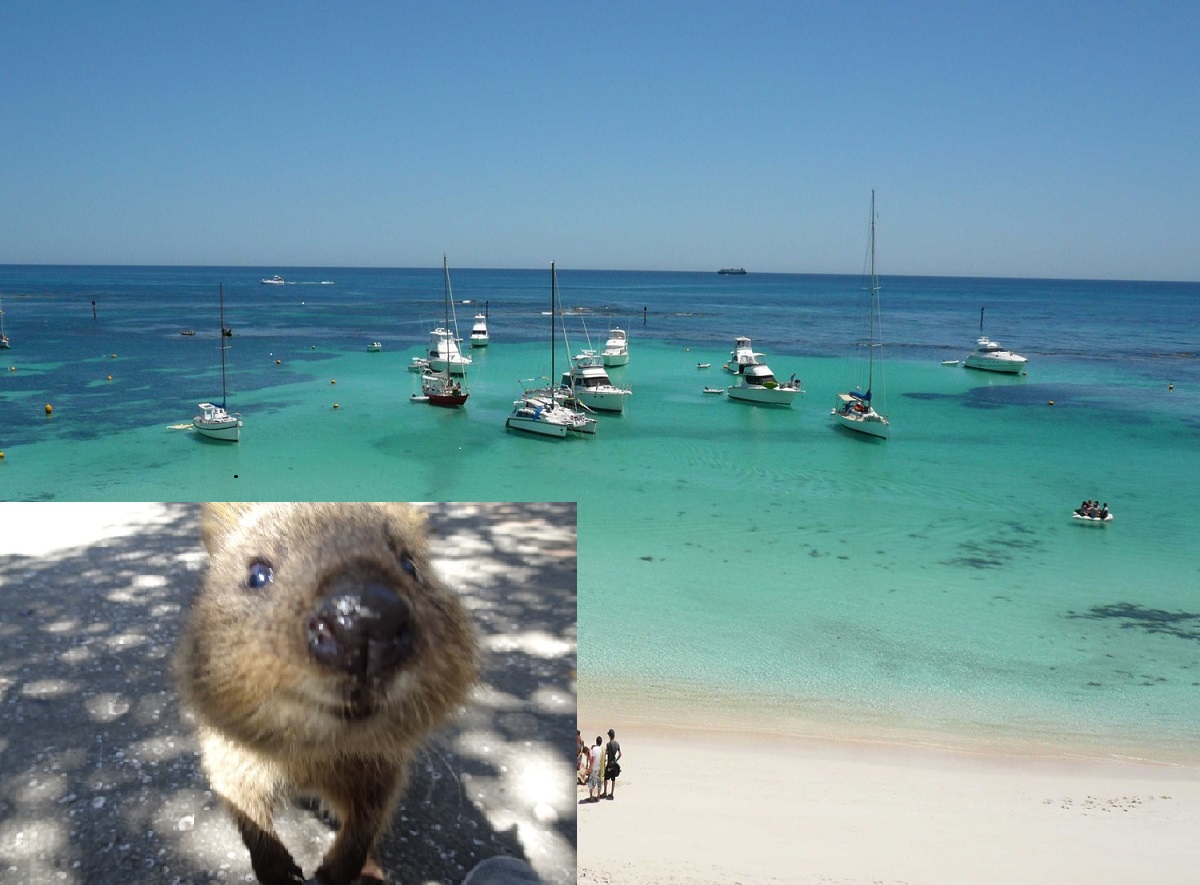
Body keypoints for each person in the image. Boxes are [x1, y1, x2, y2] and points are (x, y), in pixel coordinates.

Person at [601, 728, 621, 799]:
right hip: (614, 764)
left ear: (609, 736)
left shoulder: (608, 744)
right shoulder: (617, 744)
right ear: (614, 736)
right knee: (613, 779)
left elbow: (606, 753)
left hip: (609, 764)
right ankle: (612, 793)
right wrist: (616, 760)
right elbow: (620, 754)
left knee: (605, 778)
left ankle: (605, 792)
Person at [587, 736, 604, 802]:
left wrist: (590, 768)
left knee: (591, 783)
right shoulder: (602, 749)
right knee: (599, 783)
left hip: (594, 768)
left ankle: (591, 797)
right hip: (600, 768)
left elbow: (592, 759)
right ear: (601, 742)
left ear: (596, 742)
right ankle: (598, 797)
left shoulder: (594, 749)